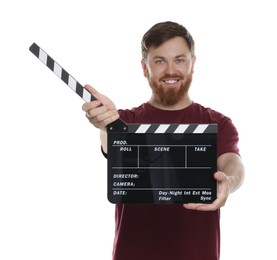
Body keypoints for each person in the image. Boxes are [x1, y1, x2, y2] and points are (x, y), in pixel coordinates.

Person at [82, 21, 245, 260]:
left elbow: (232, 162)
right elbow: (111, 142)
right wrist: (107, 124)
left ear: (193, 64)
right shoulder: (125, 121)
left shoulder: (217, 123)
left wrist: (229, 181)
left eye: (179, 60)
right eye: (159, 61)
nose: (171, 70)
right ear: (145, 68)